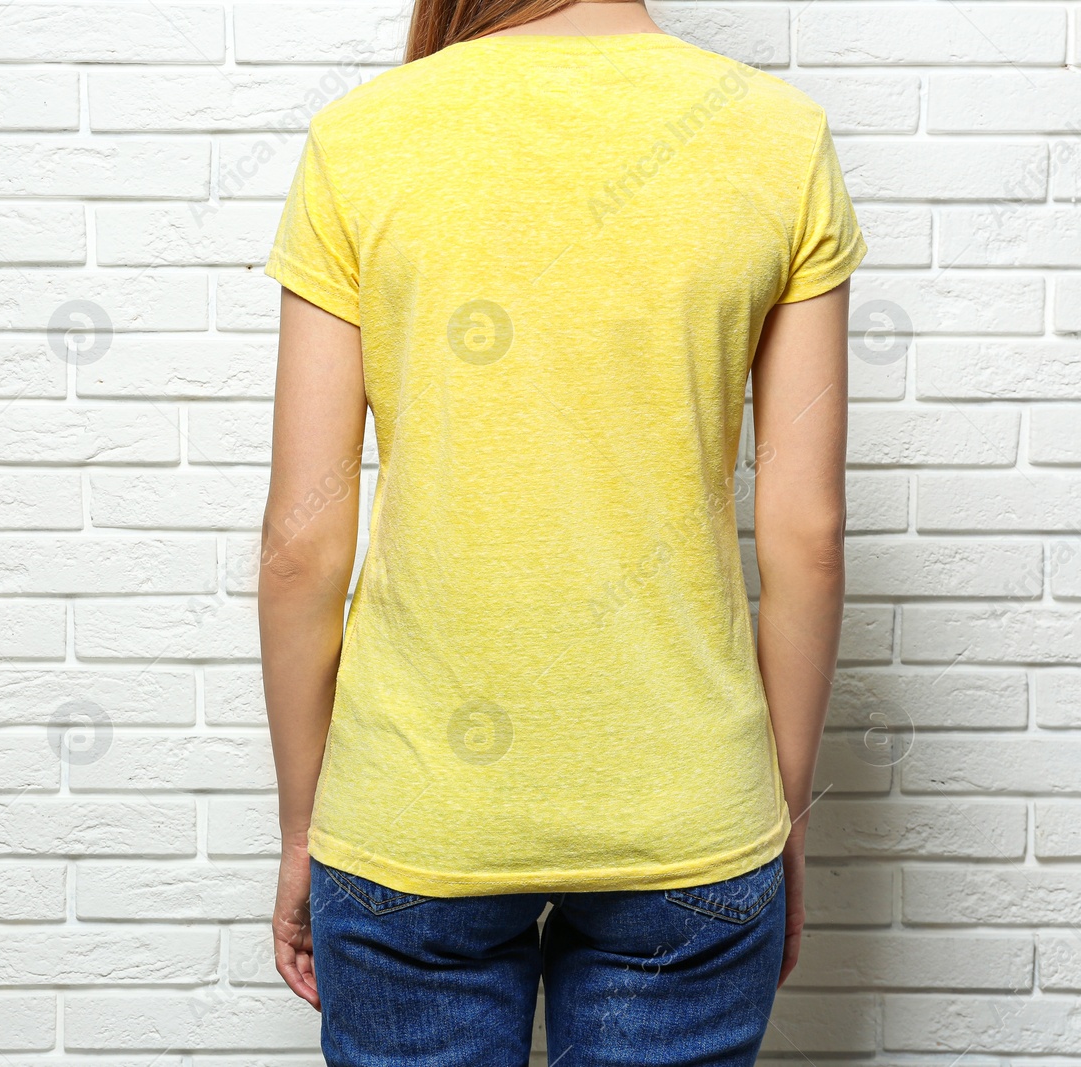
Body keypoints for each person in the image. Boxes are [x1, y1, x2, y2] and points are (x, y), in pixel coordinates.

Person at [256, 0, 864, 1063]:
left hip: (415, 816)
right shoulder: (777, 135)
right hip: (688, 817)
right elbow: (806, 531)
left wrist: (305, 828)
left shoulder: (363, 138)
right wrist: (782, 815)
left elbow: (302, 545)